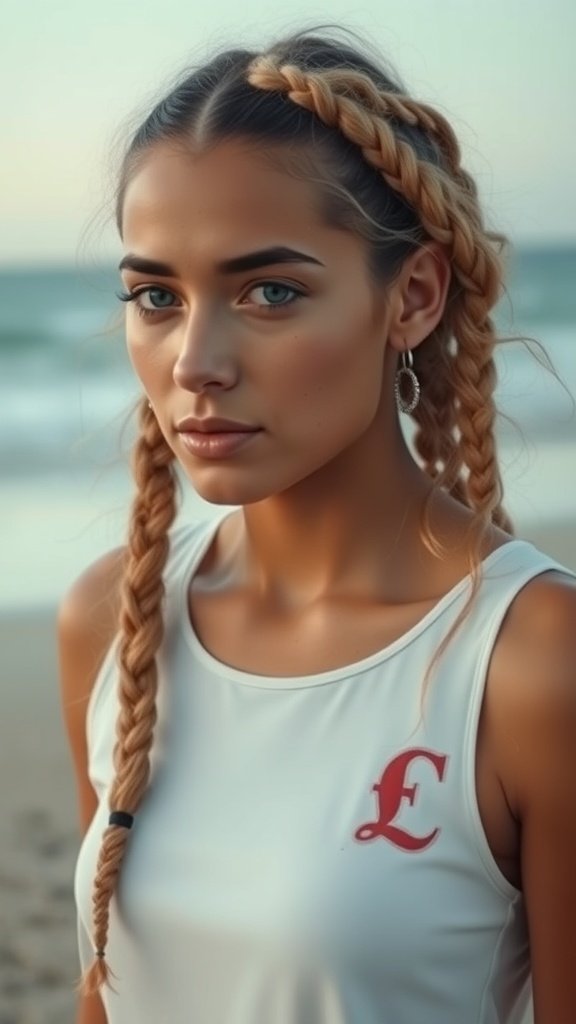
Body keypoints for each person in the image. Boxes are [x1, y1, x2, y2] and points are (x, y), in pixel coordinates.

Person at [58, 25, 576, 1024]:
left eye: (270, 292)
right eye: (156, 296)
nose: (194, 361)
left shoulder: (532, 662)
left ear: (413, 297)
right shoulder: (111, 623)